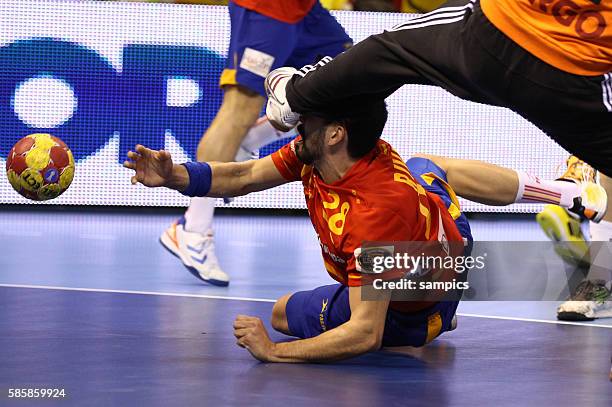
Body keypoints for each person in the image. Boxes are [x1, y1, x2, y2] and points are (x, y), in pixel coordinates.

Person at [124, 101, 604, 362]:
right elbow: (245, 176)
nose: (296, 125)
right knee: (426, 167)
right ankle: (566, 192)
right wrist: (175, 177)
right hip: (449, 236)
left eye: (307, 117)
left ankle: (428, 323)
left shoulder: (375, 216)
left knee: (282, 315)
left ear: (334, 133)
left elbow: (365, 333)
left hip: (413, 287)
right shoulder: (333, 151)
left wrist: (276, 353)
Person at [264, 0, 612, 316]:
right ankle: (578, 212)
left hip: (494, 37)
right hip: (572, 71)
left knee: (387, 52)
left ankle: (294, 97)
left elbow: (363, 332)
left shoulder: (377, 194)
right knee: (425, 159)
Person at [159, 0, 352, 286]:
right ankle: (193, 228)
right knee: (242, 106)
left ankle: (249, 140)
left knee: (347, 80)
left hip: (304, 9)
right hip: (267, 8)